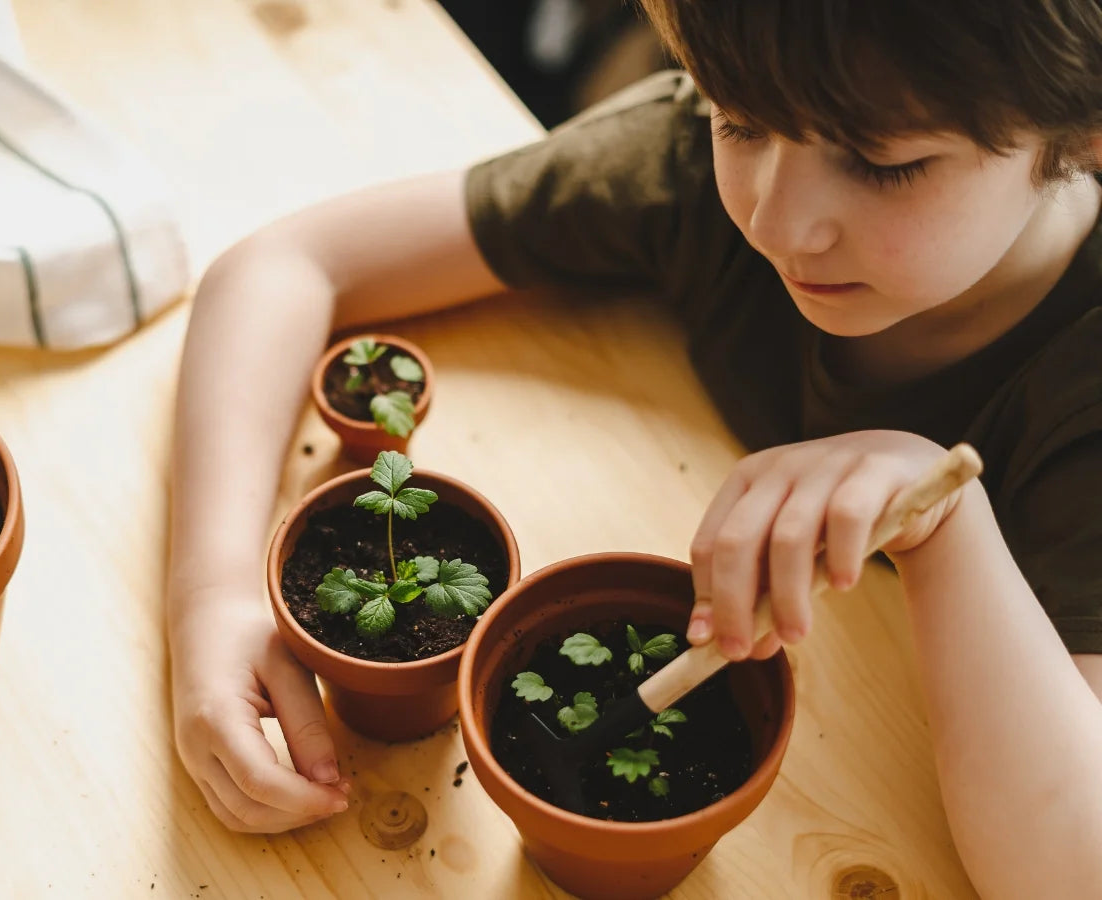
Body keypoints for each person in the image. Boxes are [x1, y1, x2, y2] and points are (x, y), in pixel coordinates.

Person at [165, 2, 1102, 895]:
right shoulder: (698, 158)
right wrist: (211, 598)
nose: (777, 223)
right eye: (738, 123)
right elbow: (282, 267)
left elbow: (1072, 866)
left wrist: (937, 518)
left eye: (882, 163)